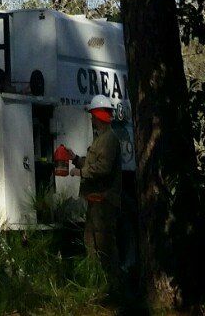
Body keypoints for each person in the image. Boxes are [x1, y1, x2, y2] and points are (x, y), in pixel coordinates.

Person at [76, 99, 123, 290]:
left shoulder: (109, 139)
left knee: (104, 246)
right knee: (91, 243)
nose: (91, 120)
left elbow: (103, 168)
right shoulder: (101, 139)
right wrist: (75, 159)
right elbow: (93, 163)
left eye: (93, 116)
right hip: (96, 201)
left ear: (98, 116)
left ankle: (113, 287)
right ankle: (98, 285)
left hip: (104, 201)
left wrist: (81, 172)